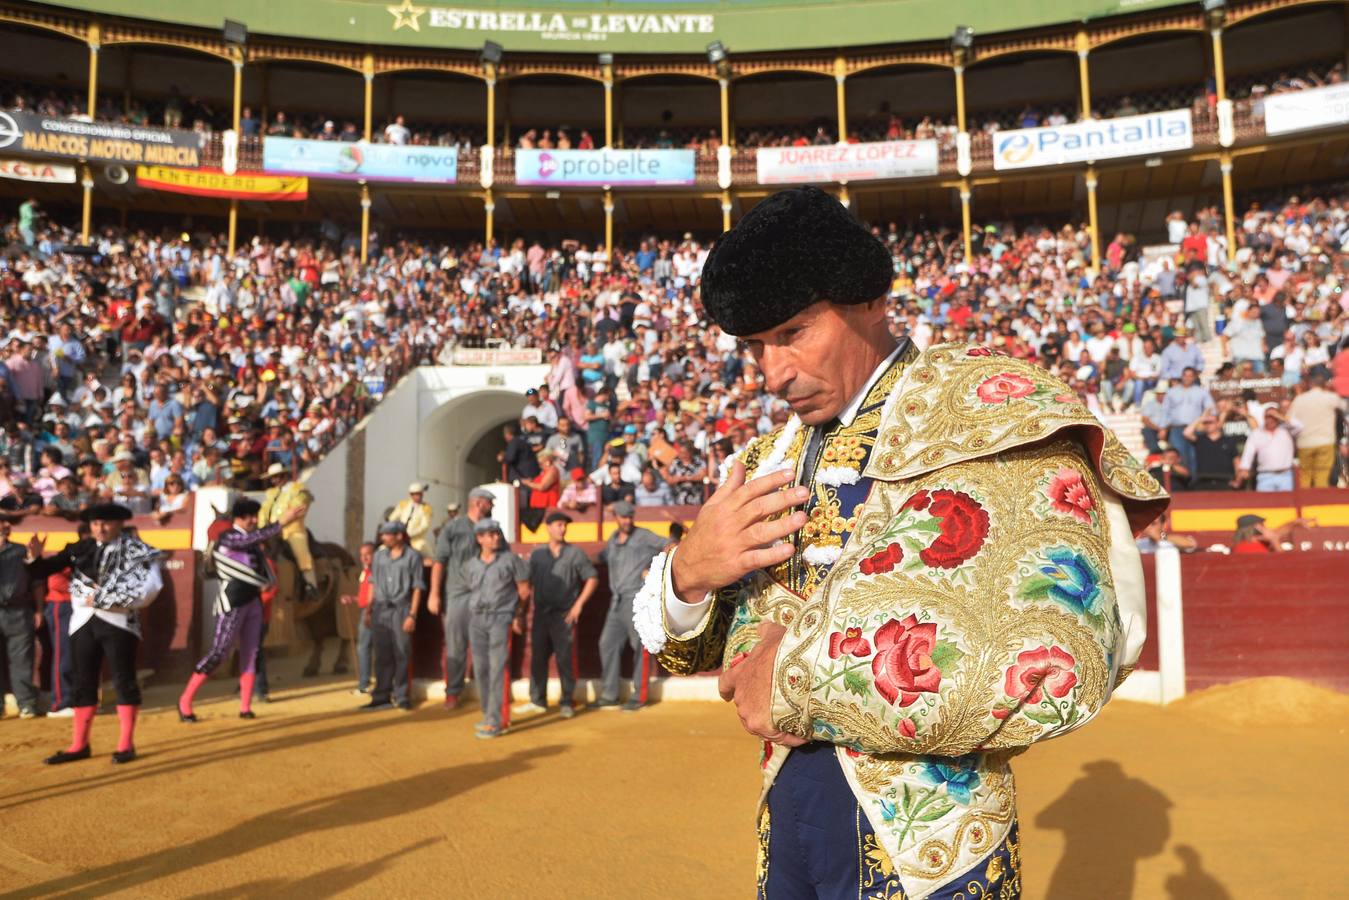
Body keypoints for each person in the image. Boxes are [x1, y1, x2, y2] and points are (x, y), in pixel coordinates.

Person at [631, 186, 1168, 897]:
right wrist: (689, 574)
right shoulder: (770, 457)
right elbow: (693, 652)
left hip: (934, 839)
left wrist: (794, 678)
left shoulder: (989, 410)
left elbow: (1056, 653)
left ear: (869, 302)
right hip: (788, 812)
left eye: (792, 333)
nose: (772, 373)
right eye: (754, 347)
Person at [31, 503, 165, 765]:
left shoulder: (137, 549)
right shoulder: (79, 548)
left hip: (119, 622)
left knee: (123, 679)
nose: (100, 529)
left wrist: (102, 599)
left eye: (105, 523)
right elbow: (42, 571)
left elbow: (150, 588)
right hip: (83, 622)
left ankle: (126, 744)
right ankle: (80, 744)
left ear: (119, 524)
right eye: (95, 524)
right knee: (83, 681)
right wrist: (33, 558)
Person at [179, 497, 306, 722]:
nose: (254, 520)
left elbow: (264, 567)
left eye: (256, 516)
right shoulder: (229, 536)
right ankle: (185, 702)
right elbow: (253, 541)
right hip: (232, 601)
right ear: (239, 518)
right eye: (251, 517)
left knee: (252, 653)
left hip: (253, 601)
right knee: (219, 652)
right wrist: (280, 523)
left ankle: (245, 706)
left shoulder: (251, 541)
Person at [522, 511, 598, 718]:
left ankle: (567, 701)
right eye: (558, 525)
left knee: (565, 659)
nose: (562, 528)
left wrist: (578, 605)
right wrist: (520, 612)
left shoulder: (575, 553)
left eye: (564, 525)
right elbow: (526, 584)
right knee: (537, 658)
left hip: (564, 614)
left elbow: (592, 578)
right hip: (541, 613)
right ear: (548, 527)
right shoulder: (537, 555)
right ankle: (537, 700)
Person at [593, 500, 666, 712]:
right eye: (623, 517)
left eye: (630, 517)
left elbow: (669, 544)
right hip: (616, 601)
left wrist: (654, 570)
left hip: (636, 600)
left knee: (639, 648)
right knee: (606, 643)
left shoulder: (643, 535)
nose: (627, 521)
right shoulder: (613, 540)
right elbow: (601, 558)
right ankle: (609, 694)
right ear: (616, 518)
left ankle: (639, 695)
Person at [429, 486, 494, 710]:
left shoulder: (492, 529)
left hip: (484, 593)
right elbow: (439, 561)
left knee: (484, 644)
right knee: (456, 645)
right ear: (478, 503)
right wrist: (434, 594)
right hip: (457, 593)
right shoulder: (453, 528)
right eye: (489, 502)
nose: (492, 506)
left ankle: (487, 692)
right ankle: (453, 692)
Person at [464, 517, 530, 738]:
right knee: (481, 669)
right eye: (491, 534)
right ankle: (488, 714)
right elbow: (469, 590)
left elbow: (523, 590)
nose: (496, 537)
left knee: (497, 668)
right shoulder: (471, 564)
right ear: (479, 538)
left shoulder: (510, 560)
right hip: (477, 620)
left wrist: (518, 615)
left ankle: (497, 720)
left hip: (501, 618)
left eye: (497, 533)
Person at [360, 521, 425, 712]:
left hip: (401, 608)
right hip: (381, 608)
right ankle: (381, 696)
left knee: (402, 653)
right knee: (381, 654)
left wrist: (412, 614)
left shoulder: (412, 557)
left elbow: (417, 588)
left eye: (388, 534)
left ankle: (402, 695)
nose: (384, 537)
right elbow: (373, 583)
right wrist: (368, 609)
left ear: (399, 536)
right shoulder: (379, 557)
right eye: (383, 534)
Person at [41, 521, 90, 718]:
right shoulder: (69, 553)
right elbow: (55, 582)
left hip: (76, 606)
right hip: (61, 606)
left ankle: (76, 699)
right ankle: (61, 702)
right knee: (64, 655)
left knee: (78, 655)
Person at [258, 463, 318, 598]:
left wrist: (279, 524)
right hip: (271, 532)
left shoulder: (298, 490)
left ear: (284, 475)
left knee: (300, 550)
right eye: (272, 478)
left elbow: (298, 509)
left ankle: (310, 584)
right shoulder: (272, 494)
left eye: (277, 477)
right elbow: (263, 512)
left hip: (292, 529)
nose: (274, 480)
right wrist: (264, 528)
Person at [0, 519, 40, 718]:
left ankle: (26, 704)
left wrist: (39, 609)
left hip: (18, 609)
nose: (3, 526)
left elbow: (36, 582)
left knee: (22, 660)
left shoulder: (21, 551)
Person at [1287, 370, 1340, 488]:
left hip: (1305, 442)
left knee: (1305, 476)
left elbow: (1289, 420)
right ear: (1325, 384)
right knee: (1321, 476)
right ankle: (1319, 504)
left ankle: (1305, 504)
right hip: (1325, 442)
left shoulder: (1299, 399)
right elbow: (1343, 407)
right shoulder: (1330, 397)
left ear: (1310, 384)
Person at [340, 542, 377, 695]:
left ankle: (364, 683)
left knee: (364, 647)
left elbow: (372, 596)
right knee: (364, 647)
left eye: (368, 554)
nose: (364, 558)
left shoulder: (374, 572)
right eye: (362, 555)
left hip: (371, 611)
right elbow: (365, 596)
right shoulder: (365, 572)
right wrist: (353, 599)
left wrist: (368, 611)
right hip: (366, 609)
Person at [1236, 407, 1299, 492]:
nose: (1270, 419)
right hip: (1265, 476)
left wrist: (1278, 415)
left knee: (1287, 504)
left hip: (1285, 475)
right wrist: (1244, 468)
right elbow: (1248, 453)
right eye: (1268, 416)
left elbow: (1299, 426)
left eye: (1273, 416)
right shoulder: (1257, 433)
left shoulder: (1286, 430)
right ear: (1263, 417)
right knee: (1264, 503)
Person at [387, 482, 434, 555]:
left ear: (422, 494)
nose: (417, 496)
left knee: (423, 549)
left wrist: (410, 534)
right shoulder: (403, 504)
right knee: (383, 548)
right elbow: (392, 518)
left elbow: (424, 526)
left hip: (415, 539)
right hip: (400, 537)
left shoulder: (426, 508)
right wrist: (392, 530)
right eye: (414, 494)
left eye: (419, 494)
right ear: (410, 495)